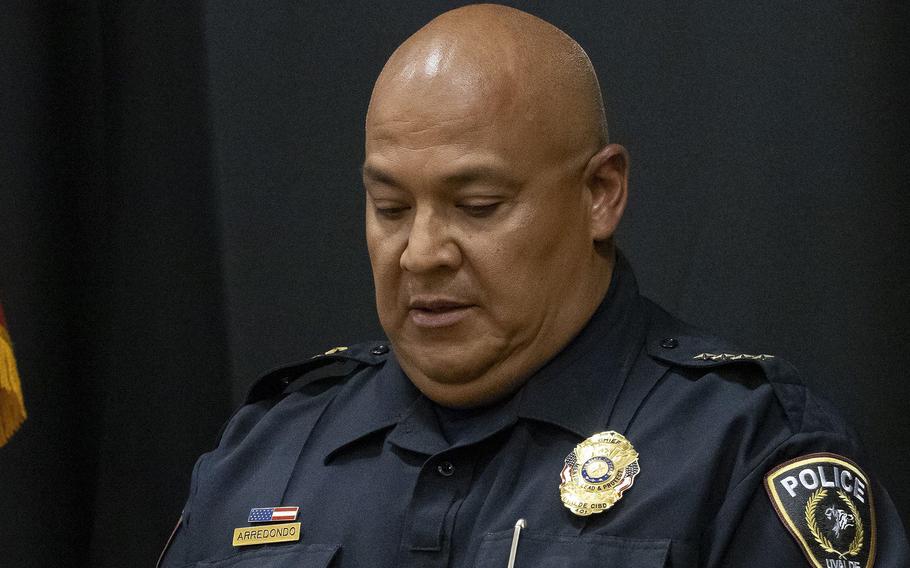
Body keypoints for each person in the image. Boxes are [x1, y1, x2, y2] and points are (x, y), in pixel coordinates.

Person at [159, 5, 908, 567]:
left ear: (601, 194)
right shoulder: (268, 450)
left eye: (476, 206)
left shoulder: (739, 454)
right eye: (389, 207)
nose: (419, 253)